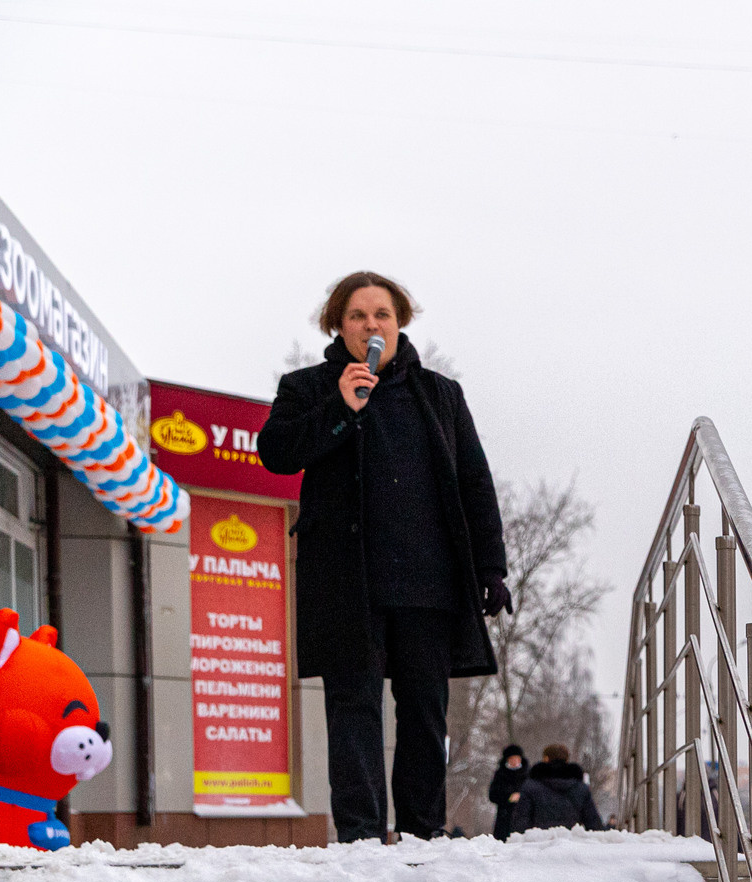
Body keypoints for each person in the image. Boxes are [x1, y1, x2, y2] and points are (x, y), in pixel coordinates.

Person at [258, 271, 510, 844]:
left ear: (400, 323)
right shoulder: (308, 387)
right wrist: (341, 408)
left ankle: (422, 833)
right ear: (337, 325)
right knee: (354, 707)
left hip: (429, 577)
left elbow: (474, 481)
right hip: (348, 579)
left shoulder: (441, 394)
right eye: (357, 316)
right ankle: (361, 835)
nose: (371, 326)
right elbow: (276, 452)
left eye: (382, 316)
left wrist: (490, 566)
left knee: (425, 709)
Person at [519, 744, 606, 831]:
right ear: (567, 760)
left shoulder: (530, 787)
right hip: (571, 841)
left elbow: (521, 820)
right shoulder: (581, 788)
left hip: (539, 842)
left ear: (546, 759)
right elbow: (593, 822)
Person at [486, 744, 526, 841]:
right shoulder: (500, 774)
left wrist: (522, 797)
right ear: (507, 759)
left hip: (524, 817)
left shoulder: (527, 773)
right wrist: (508, 797)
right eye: (512, 758)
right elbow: (492, 795)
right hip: (504, 818)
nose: (515, 761)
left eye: (517, 758)